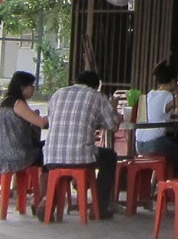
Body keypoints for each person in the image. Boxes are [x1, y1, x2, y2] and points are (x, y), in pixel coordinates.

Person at [44, 68, 121, 216]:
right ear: (96, 85)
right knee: (109, 156)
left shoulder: (57, 94)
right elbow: (113, 127)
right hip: (80, 156)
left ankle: (47, 202)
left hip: (51, 156)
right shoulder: (97, 97)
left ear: (76, 81)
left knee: (63, 163)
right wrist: (113, 107)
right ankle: (99, 208)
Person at [0, 70, 46, 176]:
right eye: (31, 85)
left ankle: (17, 188)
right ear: (23, 87)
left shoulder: (5, 101)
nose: (33, 89)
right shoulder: (18, 103)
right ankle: (44, 191)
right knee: (50, 149)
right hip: (16, 154)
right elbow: (41, 123)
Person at [136, 60, 178, 172]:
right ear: (173, 82)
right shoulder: (168, 96)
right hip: (154, 144)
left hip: (138, 145)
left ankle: (161, 181)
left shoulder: (146, 96)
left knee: (175, 145)